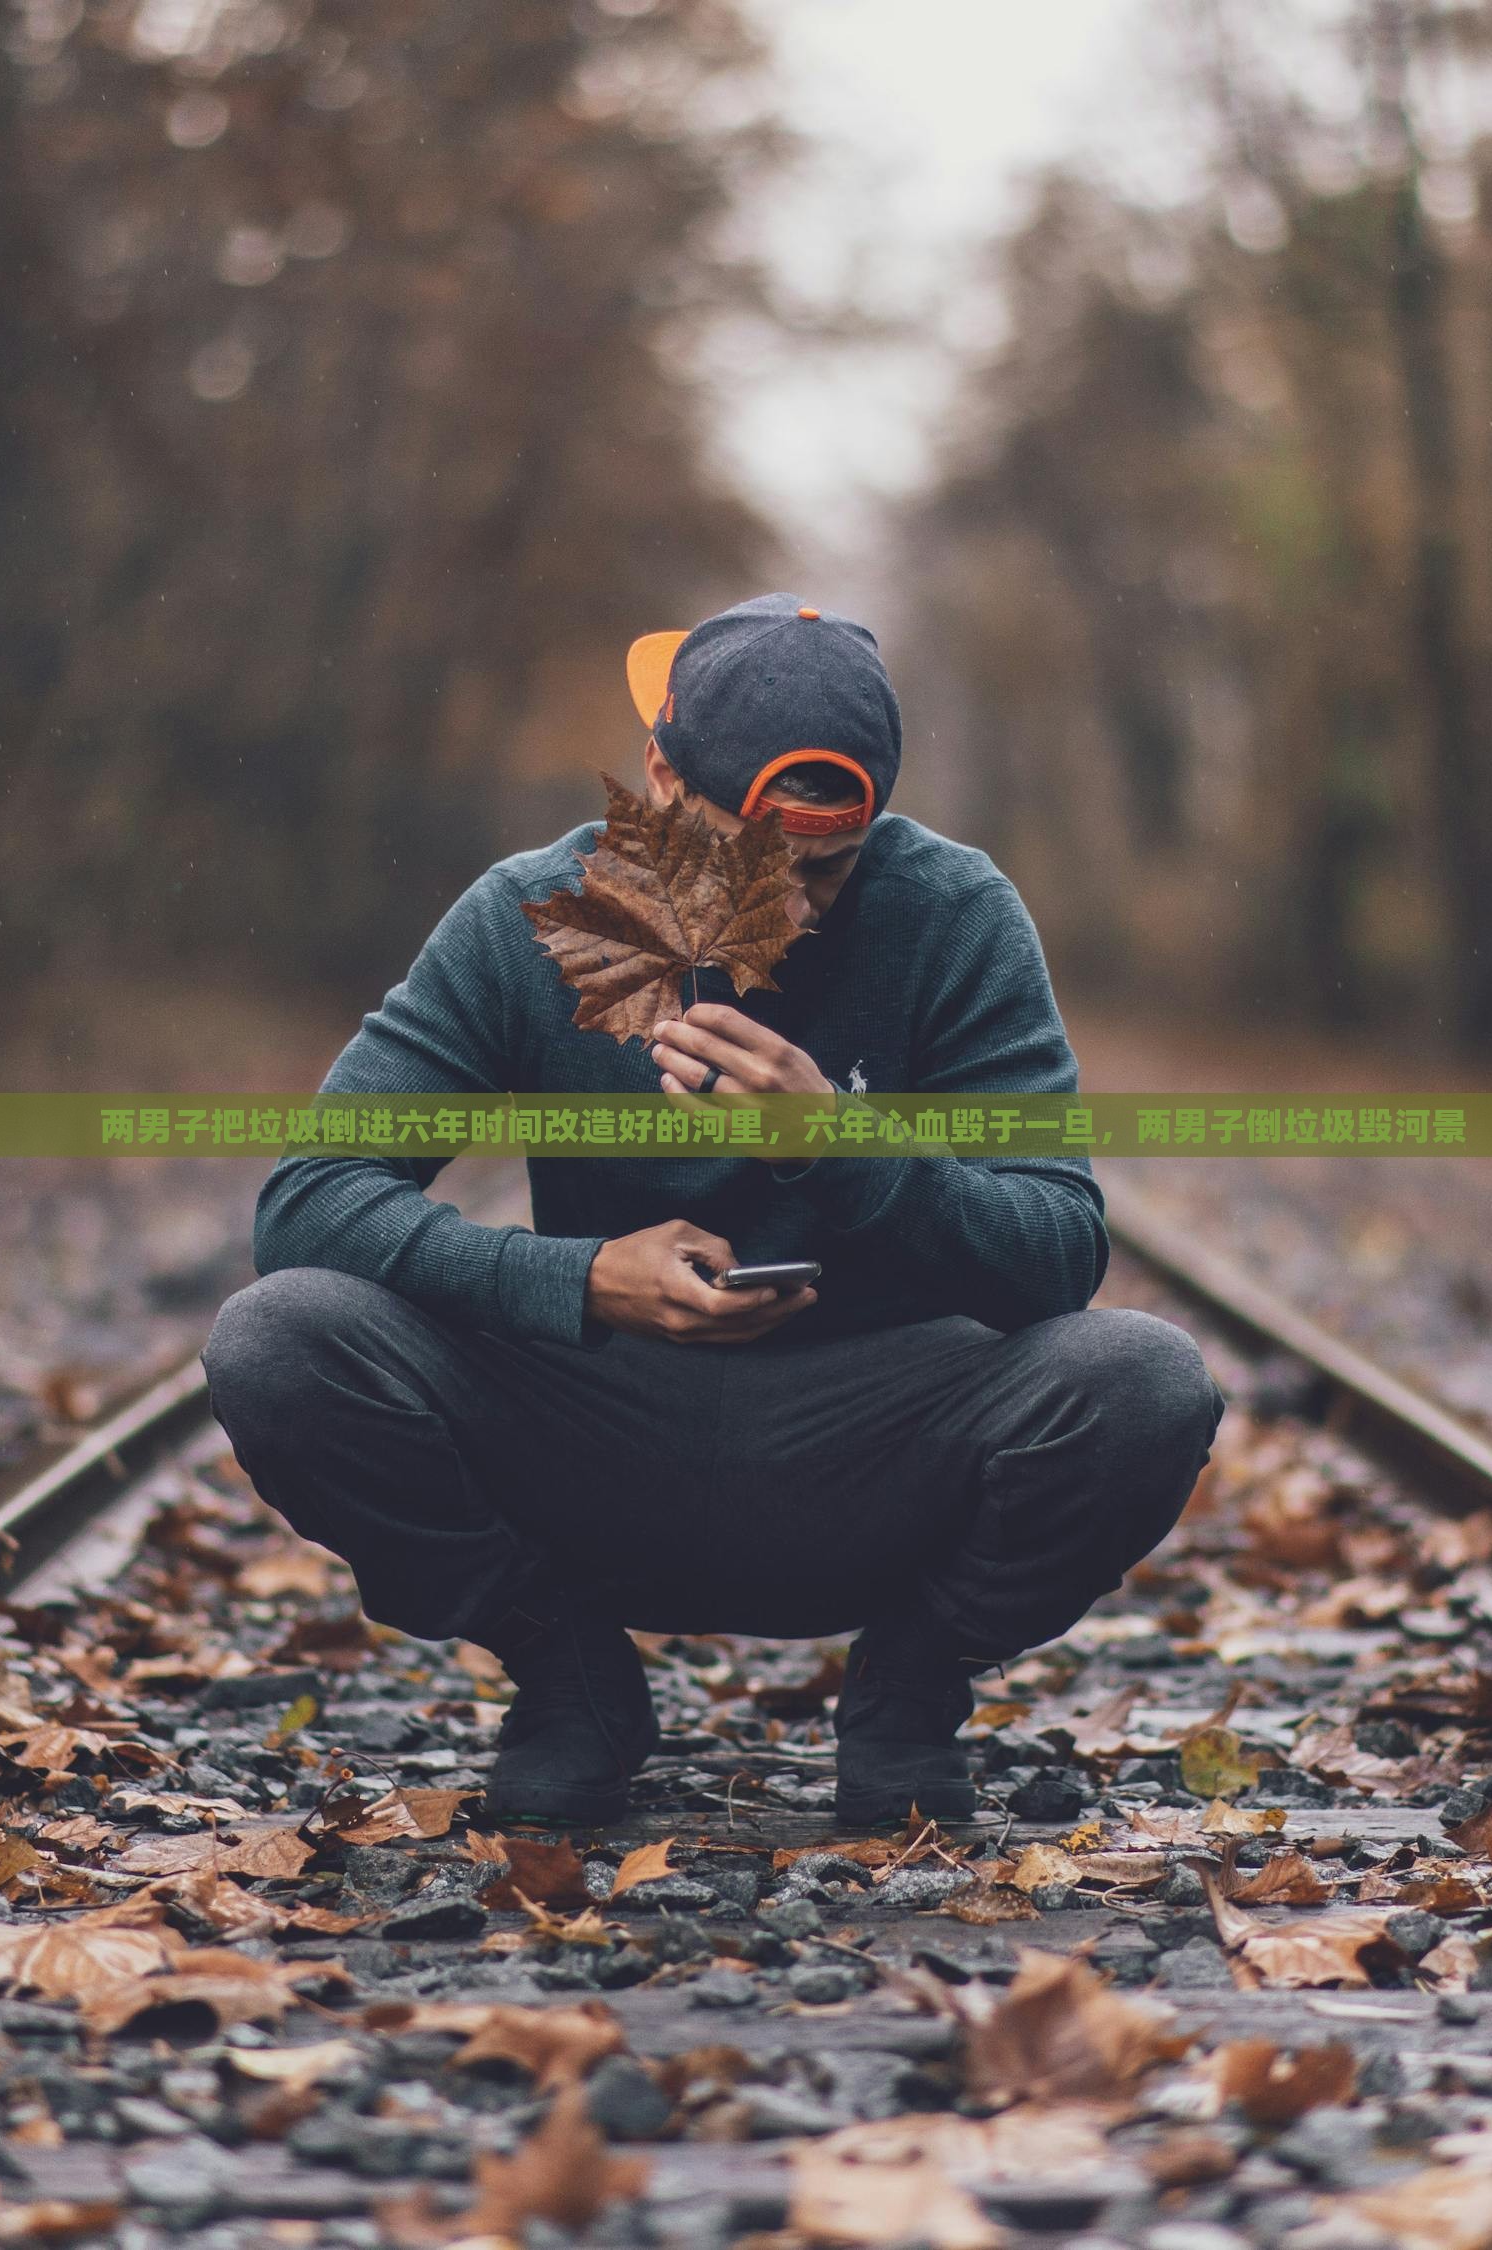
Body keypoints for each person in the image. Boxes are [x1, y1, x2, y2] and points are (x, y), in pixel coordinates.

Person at [201, 593, 1222, 1825]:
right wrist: (577, 1280)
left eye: (827, 874)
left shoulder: (954, 914)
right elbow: (312, 1201)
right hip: (596, 1437)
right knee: (276, 1338)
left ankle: (907, 1688)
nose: (782, 915)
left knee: (1148, 1381)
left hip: (871, 1444)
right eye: (741, 869)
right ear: (657, 780)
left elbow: (1059, 1251)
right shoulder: (531, 913)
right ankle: (569, 1673)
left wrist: (838, 1148)